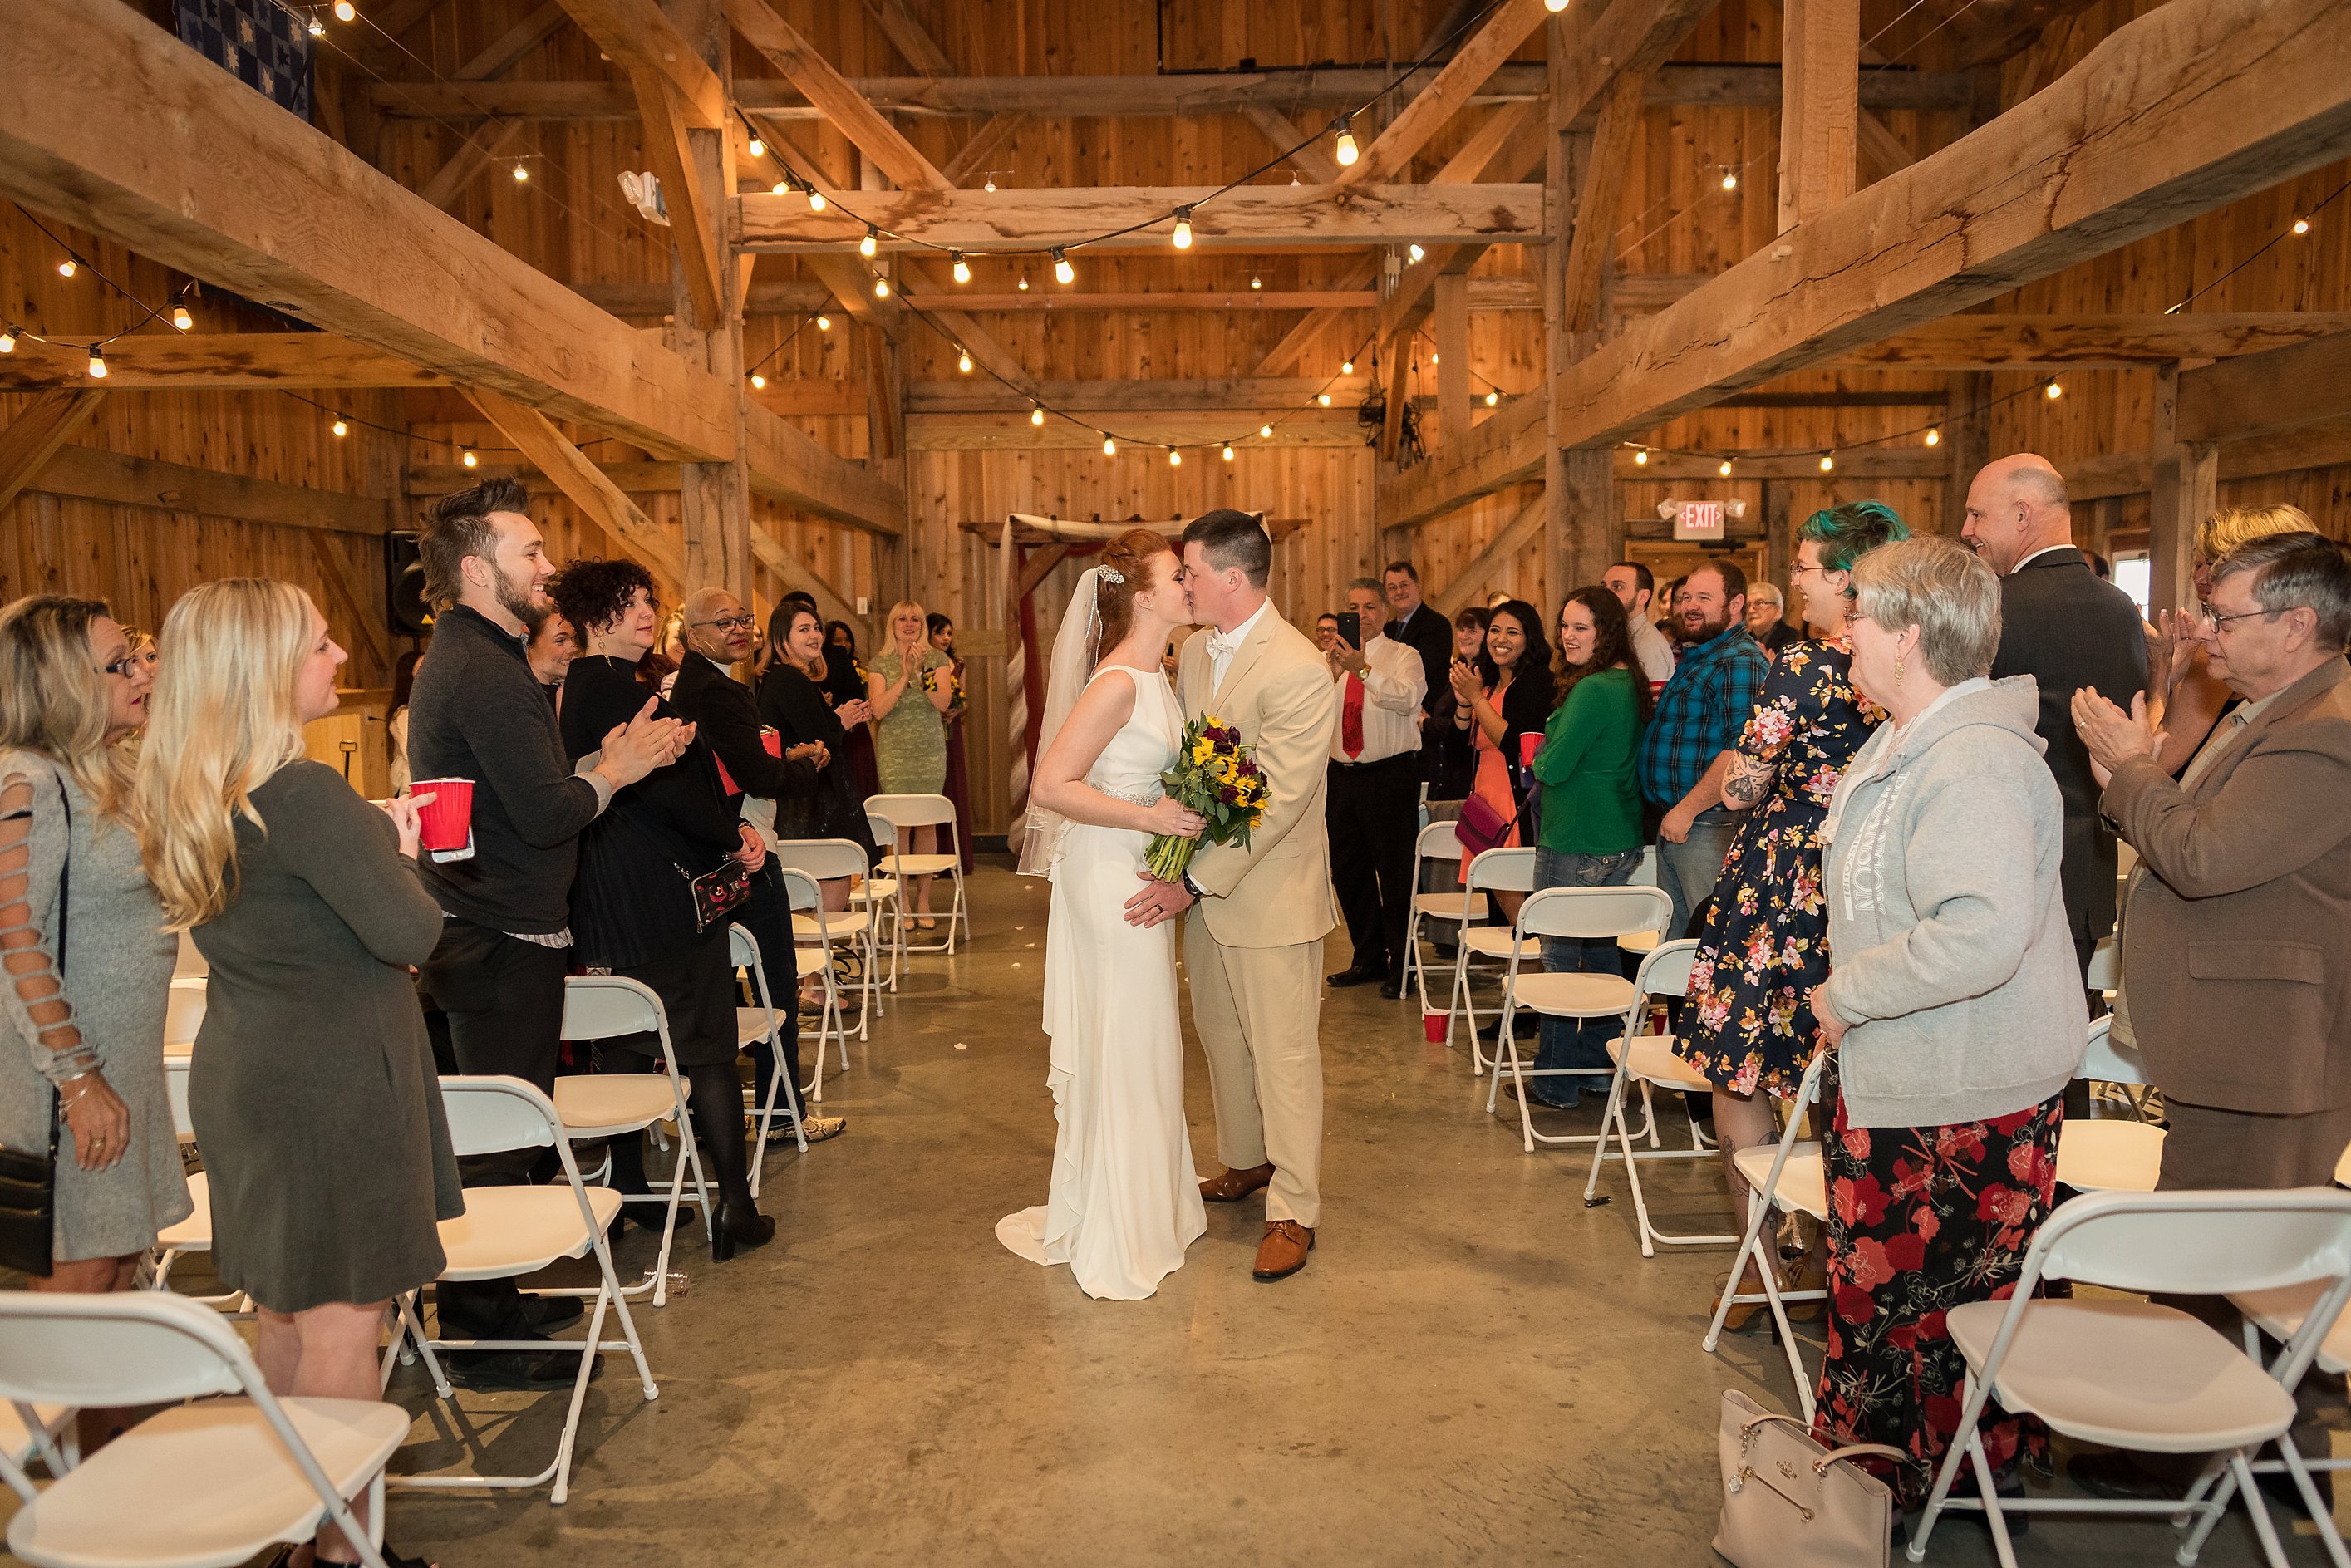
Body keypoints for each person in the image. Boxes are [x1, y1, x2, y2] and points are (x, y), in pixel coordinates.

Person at [136, 579, 452, 1568]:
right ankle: (346, 1550)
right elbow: (412, 929)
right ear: (268, 671)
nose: (340, 659)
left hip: (253, 1071)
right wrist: (395, 846)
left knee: (286, 1312)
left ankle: (292, 1533)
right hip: (333, 1083)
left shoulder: (200, 784)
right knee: (344, 1327)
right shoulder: (303, 794)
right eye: (321, 644)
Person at [1806, 533, 2083, 1511]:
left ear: (1910, 635)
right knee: (1893, 1311)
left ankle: (1922, 1489)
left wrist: (1845, 995)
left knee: (1934, 1318)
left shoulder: (1972, 762)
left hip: (1960, 1100)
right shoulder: (1907, 740)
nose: (1845, 635)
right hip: (1913, 1075)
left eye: (1860, 617)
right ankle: (1890, 1482)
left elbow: (1980, 935)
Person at [406, 479, 686, 1379]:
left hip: (491, 926)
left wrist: (600, 763)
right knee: (498, 1133)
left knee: (504, 1124)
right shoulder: (484, 669)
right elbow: (541, 813)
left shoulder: (478, 653)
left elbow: (520, 792)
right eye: (530, 553)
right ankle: (480, 1333)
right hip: (494, 935)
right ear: (479, 569)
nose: (548, 565)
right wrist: (620, 775)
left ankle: (494, 1300)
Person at [1675, 504, 1907, 1305]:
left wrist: (1746, 772)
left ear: (1846, 578)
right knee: (1836, 1076)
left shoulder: (1803, 666)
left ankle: (1756, 1265)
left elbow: (1741, 785)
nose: (1798, 581)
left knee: (1739, 1071)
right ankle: (1838, 1254)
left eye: (1805, 568)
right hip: (1861, 885)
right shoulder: (1910, 662)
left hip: (1780, 882)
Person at [2074, 533, 2351, 1186]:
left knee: (2233, 1265)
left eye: (2225, 617)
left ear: (2295, 627)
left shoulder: (2322, 732)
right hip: (2236, 1041)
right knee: (2205, 1260)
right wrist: (2130, 772)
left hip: (2263, 1050)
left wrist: (2130, 767)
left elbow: (2201, 856)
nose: (2205, 632)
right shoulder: (2274, 713)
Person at [1125, 509, 1339, 1284]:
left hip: (1269, 894)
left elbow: (1278, 801)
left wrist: (1190, 879)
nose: (1182, 583)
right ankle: (1246, 1162)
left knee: (1284, 1054)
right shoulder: (1194, 657)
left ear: (1231, 578)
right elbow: (1197, 764)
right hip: (1208, 889)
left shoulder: (1296, 668)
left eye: (1189, 572)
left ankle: (1295, 1206)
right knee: (1221, 1035)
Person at [998, 528, 1208, 1300]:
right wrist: (1150, 820)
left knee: (1146, 1033)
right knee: (1126, 1034)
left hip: (1132, 864)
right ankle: (1117, 1225)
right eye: (1178, 576)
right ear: (1143, 596)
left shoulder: (1161, 674)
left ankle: (1148, 1205)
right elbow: (1051, 785)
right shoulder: (1116, 681)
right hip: (1105, 873)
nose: (1192, 584)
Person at [0, 597, 187, 1455]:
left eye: (138, 655)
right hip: (72, 1088)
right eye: (120, 665)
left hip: (122, 1071)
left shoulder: (102, 771)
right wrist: (77, 1077)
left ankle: (124, 1487)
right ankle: (78, 1507)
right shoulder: (30, 782)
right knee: (80, 1288)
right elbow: (14, 939)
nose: (142, 673)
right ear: (63, 684)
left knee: (119, 1276)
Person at [552, 561, 775, 1257]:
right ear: (596, 616)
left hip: (608, 885)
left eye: (650, 601)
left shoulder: (594, 686)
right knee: (707, 1047)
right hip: (656, 888)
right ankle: (735, 1208)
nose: (647, 613)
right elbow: (667, 793)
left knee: (620, 1044)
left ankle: (631, 1193)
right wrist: (731, 834)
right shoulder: (609, 688)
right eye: (631, 603)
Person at [1960, 453, 2147, 975]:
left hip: (2005, 861)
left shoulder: (1991, 604)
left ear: (2022, 516)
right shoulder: (2119, 607)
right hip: (2086, 865)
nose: (1966, 529)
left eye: (1977, 515)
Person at [671, 588, 844, 1146]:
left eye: (743, 619)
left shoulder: (701, 683)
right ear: (691, 630)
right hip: (742, 849)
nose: (738, 629)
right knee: (775, 982)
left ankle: (734, 1113)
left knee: (735, 983)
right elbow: (758, 776)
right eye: (723, 622)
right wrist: (805, 766)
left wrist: (779, 761)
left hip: (713, 846)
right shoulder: (715, 690)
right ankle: (781, 1115)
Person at [1511, 587, 1650, 1111]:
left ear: (1605, 632)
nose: (1568, 636)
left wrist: (1541, 757)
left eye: (1581, 627)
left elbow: (1553, 765)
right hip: (1615, 832)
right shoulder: (1625, 682)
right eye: (1564, 625)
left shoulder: (1593, 689)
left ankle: (1555, 1083)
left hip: (1576, 836)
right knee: (1600, 957)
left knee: (1561, 964)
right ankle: (1596, 1070)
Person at [1638, 561, 1768, 941]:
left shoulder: (1739, 661)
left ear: (1735, 603)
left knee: (1713, 942)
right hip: (1682, 822)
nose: (1690, 606)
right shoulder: (1703, 655)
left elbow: (1739, 752)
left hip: (1707, 824)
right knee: (1679, 946)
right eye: (1686, 597)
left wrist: (1687, 810)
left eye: (1704, 598)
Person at [2147, 503, 2321, 772]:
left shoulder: (2226, 651)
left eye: (2218, 563)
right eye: (2198, 563)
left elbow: (2152, 760)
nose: (2202, 577)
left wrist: (2160, 677)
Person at [1321, 578, 1427, 999]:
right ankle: (1367, 957)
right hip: (1341, 777)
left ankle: (1403, 965)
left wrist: (1360, 669)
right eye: (1352, 607)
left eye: (1368, 607)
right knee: (1348, 871)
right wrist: (1331, 670)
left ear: (1384, 612)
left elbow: (1406, 699)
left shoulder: (1405, 656)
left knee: (1396, 873)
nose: (1361, 615)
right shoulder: (1325, 660)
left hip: (1389, 775)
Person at [759, 602, 880, 913]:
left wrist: (837, 718)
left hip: (810, 799)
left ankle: (816, 959)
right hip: (813, 804)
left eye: (816, 629)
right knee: (825, 894)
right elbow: (819, 744)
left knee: (820, 894)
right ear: (782, 638)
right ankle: (817, 961)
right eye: (804, 630)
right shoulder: (788, 679)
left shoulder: (788, 678)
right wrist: (841, 722)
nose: (815, 635)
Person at [1448, 599, 1555, 892]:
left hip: (1514, 799)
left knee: (1513, 892)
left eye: (1512, 632)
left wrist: (1477, 700)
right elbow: (1458, 750)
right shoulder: (1486, 681)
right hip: (1485, 798)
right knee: (1493, 893)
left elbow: (1514, 743)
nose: (1500, 639)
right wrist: (1463, 703)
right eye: (1495, 630)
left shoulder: (1536, 681)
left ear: (1529, 639)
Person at [868, 600, 957, 927]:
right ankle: (903, 899)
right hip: (895, 752)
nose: (909, 624)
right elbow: (878, 710)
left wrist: (922, 672)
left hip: (929, 751)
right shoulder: (879, 663)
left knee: (927, 822)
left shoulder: (937, 659)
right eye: (902, 619)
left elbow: (942, 702)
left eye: (915, 619)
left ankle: (924, 899)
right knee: (900, 825)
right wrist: (905, 675)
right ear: (892, 625)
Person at [1419, 605, 1489, 802]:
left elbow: (1471, 726)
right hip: (1444, 772)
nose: (1464, 636)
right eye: (1461, 629)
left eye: (1472, 630)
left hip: (1466, 775)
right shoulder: (1457, 670)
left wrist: (1427, 723)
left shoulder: (1484, 676)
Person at [1381, 559, 1456, 725]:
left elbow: (1422, 670)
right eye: (1392, 588)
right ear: (1386, 595)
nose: (1399, 591)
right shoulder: (1385, 631)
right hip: (1390, 716)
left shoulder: (1437, 625)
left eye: (1404, 585)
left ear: (1418, 586)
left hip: (1424, 716)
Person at [928, 612, 976, 875]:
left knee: (952, 785)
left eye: (949, 633)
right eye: (940, 633)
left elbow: (964, 699)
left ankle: (954, 858)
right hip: (930, 728)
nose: (946, 638)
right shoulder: (925, 663)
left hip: (951, 729)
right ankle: (929, 860)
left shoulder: (957, 663)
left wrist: (957, 709)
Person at [1604, 561, 1678, 688]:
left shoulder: (1649, 645)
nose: (1606, 594)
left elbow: (1647, 703)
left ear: (1642, 597)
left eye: (1617, 587)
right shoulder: (1619, 635)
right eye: (1604, 586)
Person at [386, 647, 424, 791]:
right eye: (421, 670)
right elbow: (413, 753)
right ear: (408, 677)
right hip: (411, 788)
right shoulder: (404, 714)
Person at [524, 609, 577, 704]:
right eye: (560, 641)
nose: (573, 648)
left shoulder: (573, 690)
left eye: (574, 638)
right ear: (529, 647)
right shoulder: (524, 697)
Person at [1743, 582, 1803, 656]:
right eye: (1747, 605)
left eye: (1760, 603)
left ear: (1777, 611)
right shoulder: (1742, 641)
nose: (1750, 610)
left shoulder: (1795, 640)